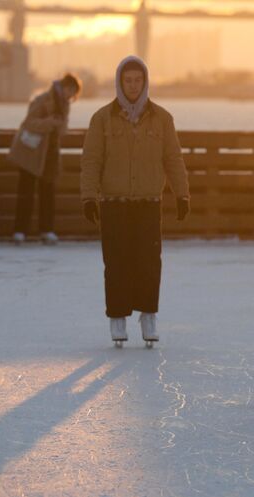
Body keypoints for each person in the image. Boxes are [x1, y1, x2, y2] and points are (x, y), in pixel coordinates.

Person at [80, 55, 190, 347]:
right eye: (127, 80)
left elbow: (173, 158)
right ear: (119, 82)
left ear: (145, 82)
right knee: (116, 262)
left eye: (137, 80)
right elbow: (92, 160)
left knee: (149, 261)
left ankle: (148, 314)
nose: (132, 85)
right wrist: (89, 197)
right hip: (114, 202)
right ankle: (117, 317)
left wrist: (182, 193)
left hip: (148, 202)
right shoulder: (101, 118)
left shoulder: (162, 118)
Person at [8, 73, 82, 245]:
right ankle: (20, 231)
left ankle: (46, 230)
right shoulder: (42, 99)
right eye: (70, 91)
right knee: (26, 193)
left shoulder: (65, 105)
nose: (71, 96)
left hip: (50, 154)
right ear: (64, 87)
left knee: (47, 193)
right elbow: (28, 123)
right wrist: (49, 122)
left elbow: (62, 129)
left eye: (73, 94)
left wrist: (59, 126)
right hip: (31, 153)